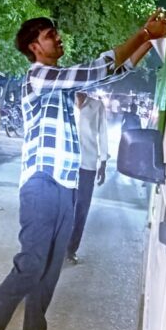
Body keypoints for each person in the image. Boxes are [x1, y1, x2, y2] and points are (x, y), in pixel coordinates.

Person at [0, 10, 166, 330]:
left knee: (47, 277)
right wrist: (142, 33)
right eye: (51, 35)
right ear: (35, 47)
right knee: (30, 267)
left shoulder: (62, 85)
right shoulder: (39, 77)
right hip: (42, 184)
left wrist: (149, 41)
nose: (58, 38)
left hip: (66, 186)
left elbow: (111, 73)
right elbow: (95, 69)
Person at [65, 91, 109, 264]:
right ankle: (55, 247)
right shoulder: (65, 100)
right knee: (62, 206)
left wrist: (103, 162)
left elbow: (103, 133)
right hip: (65, 162)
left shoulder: (96, 106)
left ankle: (71, 249)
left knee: (81, 208)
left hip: (87, 164)